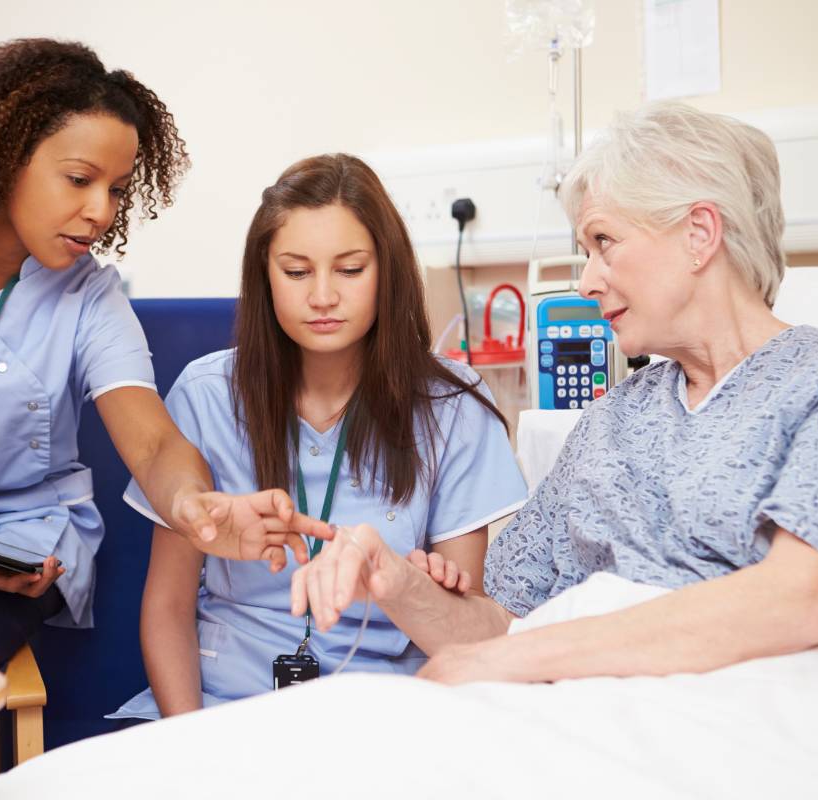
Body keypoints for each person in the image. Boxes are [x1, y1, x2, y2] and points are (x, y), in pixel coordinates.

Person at [292, 101, 818, 718]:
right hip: (610, 710)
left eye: (604, 243)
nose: (589, 279)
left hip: (799, 707)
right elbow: (503, 628)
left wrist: (511, 662)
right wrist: (395, 581)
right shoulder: (613, 421)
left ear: (699, 235)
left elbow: (801, 599)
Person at [0, 39, 328, 798]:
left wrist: (193, 505)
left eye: (117, 188)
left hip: (14, 542)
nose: (102, 212)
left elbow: (150, 434)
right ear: (3, 154)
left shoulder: (90, 296)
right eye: (80, 180)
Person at [109, 154, 528, 718]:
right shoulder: (206, 395)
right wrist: (189, 742)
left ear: (388, 271)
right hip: (218, 708)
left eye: (350, 270)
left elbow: (464, 634)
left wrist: (416, 585)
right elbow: (167, 606)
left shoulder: (451, 405)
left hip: (382, 715)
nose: (323, 296)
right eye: (297, 272)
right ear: (265, 276)